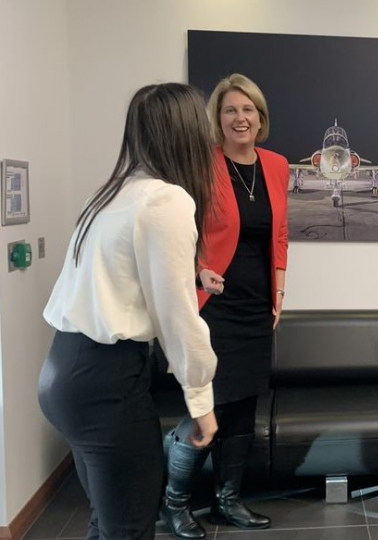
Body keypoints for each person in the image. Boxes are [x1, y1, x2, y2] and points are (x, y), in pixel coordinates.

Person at [38, 83, 219, 540]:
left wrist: (193, 276)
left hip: (64, 372)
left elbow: (111, 278)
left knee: (107, 520)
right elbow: (177, 317)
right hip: (106, 385)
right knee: (130, 527)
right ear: (189, 134)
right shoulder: (166, 200)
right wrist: (201, 400)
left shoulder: (108, 194)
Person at [160, 73, 289, 538]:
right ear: (218, 118)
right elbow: (177, 230)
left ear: (261, 117)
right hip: (213, 305)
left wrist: (279, 293)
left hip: (257, 307)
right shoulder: (201, 165)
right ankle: (174, 505)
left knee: (243, 409)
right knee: (206, 407)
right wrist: (196, 272)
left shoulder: (276, 165)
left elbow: (278, 235)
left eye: (248, 109)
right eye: (231, 109)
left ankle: (227, 501)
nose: (241, 118)